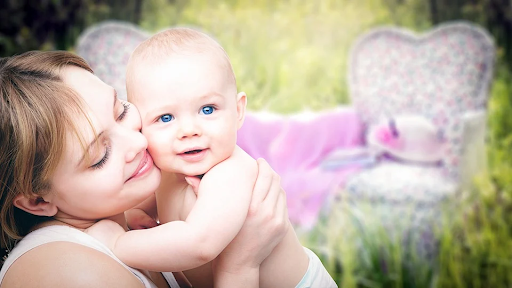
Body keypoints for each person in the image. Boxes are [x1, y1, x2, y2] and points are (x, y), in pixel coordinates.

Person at [0, 50, 290, 287]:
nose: (138, 141)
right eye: (100, 155)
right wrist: (239, 266)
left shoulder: (123, 215)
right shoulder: (65, 273)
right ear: (38, 200)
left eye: (122, 111)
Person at [94, 27, 337, 288]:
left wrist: (117, 242)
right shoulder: (167, 169)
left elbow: (199, 244)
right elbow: (155, 201)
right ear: (142, 125)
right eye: (166, 118)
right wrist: (136, 214)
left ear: (238, 110)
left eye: (207, 109)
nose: (189, 130)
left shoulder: (229, 172)